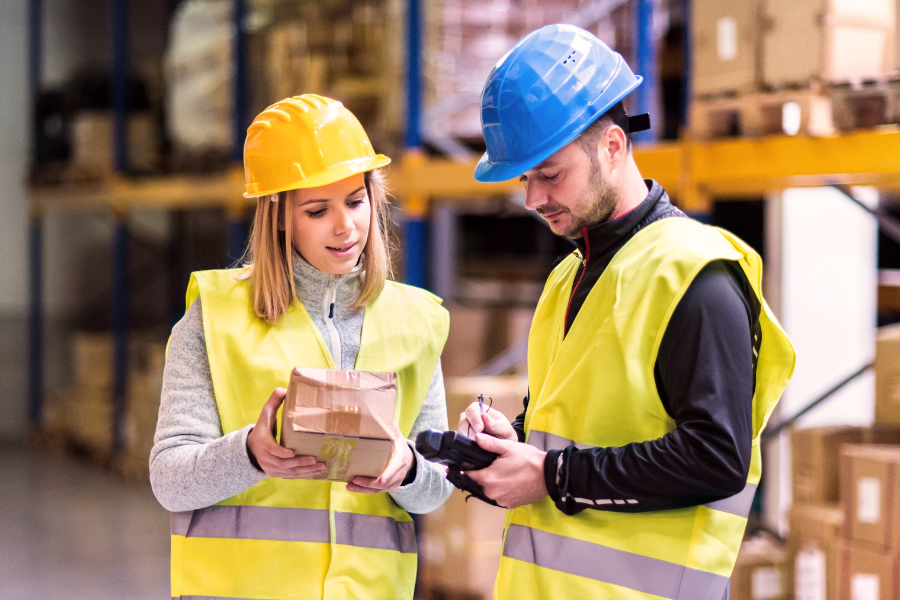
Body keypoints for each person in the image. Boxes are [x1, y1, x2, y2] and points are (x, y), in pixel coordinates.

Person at [457, 25, 796, 600]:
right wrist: (510, 444)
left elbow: (716, 459)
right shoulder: (570, 276)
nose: (533, 200)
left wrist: (549, 475)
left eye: (550, 174)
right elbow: (584, 431)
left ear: (613, 147)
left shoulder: (695, 275)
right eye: (524, 179)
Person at [150, 94, 453, 600]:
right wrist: (251, 452)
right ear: (280, 215)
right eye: (318, 210)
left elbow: (435, 488)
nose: (345, 227)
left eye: (356, 202)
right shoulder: (215, 318)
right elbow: (170, 480)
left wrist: (409, 468)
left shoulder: (416, 321)